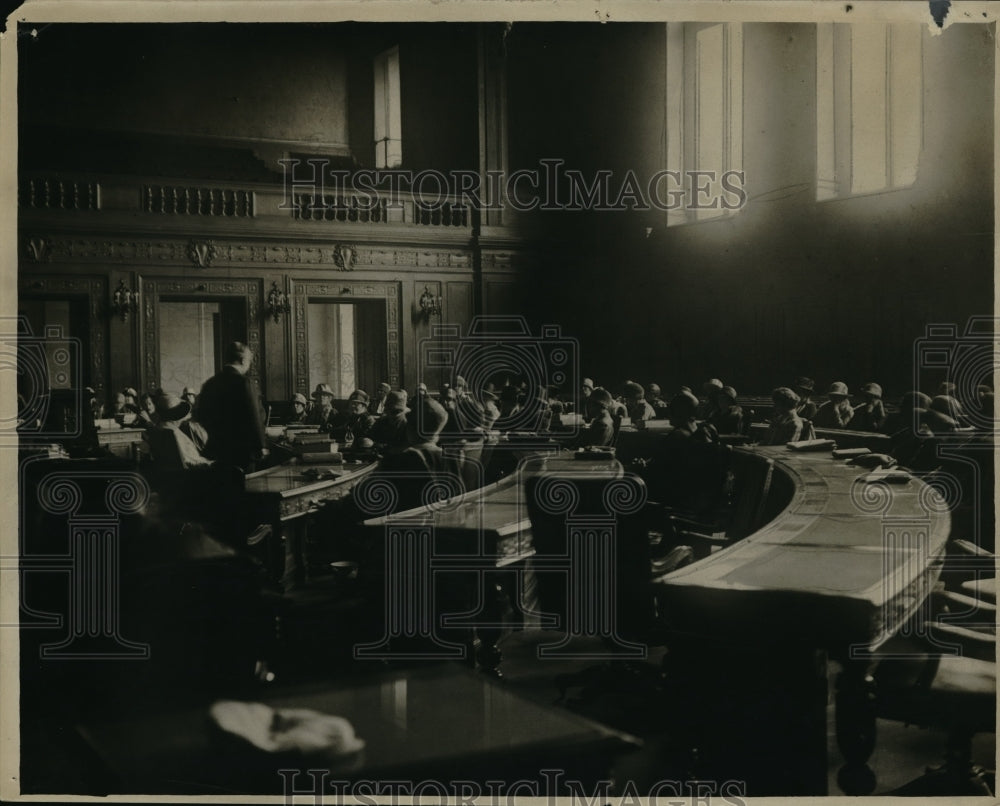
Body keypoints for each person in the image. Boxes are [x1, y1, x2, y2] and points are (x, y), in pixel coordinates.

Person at [196, 341, 267, 472]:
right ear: (242, 360)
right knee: (244, 487)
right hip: (243, 452)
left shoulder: (210, 383)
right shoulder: (244, 382)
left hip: (216, 450)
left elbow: (201, 417)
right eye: (249, 360)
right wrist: (261, 445)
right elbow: (254, 416)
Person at [147, 392, 212, 470]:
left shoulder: (159, 429)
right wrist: (211, 464)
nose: (182, 419)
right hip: (191, 475)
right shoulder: (172, 433)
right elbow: (189, 461)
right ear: (175, 416)